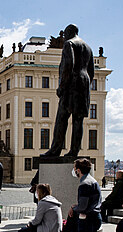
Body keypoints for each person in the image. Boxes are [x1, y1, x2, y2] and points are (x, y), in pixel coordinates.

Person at [42, 24, 94, 157]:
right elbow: (91, 72)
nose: (64, 37)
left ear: (68, 32)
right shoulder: (88, 48)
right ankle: (74, 151)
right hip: (84, 83)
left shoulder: (69, 44)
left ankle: (56, 149)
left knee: (62, 118)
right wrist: (85, 85)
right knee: (78, 120)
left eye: (65, 34)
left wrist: (62, 86)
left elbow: (68, 65)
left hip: (72, 83)